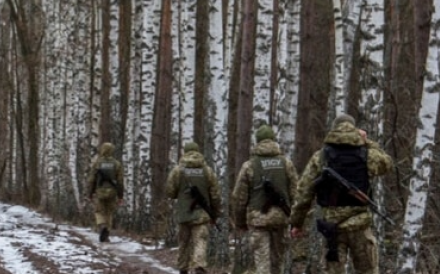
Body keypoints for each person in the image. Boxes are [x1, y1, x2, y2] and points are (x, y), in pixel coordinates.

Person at [288, 114, 393, 274]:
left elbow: (304, 192)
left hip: (332, 228)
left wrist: (297, 223)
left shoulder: (321, 156)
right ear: (355, 130)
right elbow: (387, 164)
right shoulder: (367, 154)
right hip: (360, 225)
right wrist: (368, 142)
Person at [232, 124, 298, 274]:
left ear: (258, 141)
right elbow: (296, 194)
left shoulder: (249, 166)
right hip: (282, 219)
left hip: (258, 220)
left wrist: (240, 222)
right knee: (277, 264)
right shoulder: (286, 164)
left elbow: (239, 198)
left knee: (262, 266)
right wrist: (297, 221)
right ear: (274, 141)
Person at [165, 141, 222, 274]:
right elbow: (215, 195)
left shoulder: (178, 170)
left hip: (183, 214)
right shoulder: (207, 170)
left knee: (183, 243)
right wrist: (215, 213)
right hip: (202, 214)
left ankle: (183, 268)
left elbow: (170, 191)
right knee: (200, 241)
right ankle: (199, 266)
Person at [86, 142, 124, 242]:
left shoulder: (97, 163)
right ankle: (106, 233)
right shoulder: (116, 164)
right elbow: (120, 181)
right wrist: (120, 196)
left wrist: (90, 193)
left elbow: (92, 180)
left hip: (100, 192)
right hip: (112, 192)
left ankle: (102, 225)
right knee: (109, 213)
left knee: (99, 211)